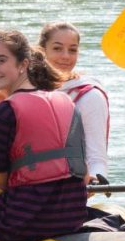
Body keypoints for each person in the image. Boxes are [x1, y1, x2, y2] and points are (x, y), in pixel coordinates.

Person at [0, 30, 89, 241]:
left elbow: (0, 182)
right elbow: (82, 170)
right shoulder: (67, 102)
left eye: (0, 60)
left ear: (23, 64)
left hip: (20, 224)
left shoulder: (3, 112)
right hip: (71, 217)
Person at [39, 21, 112, 184]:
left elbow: (96, 157)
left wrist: (96, 178)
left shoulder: (90, 96)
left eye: (72, 50)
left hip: (69, 187)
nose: (65, 56)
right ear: (42, 51)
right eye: (57, 48)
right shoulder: (27, 89)